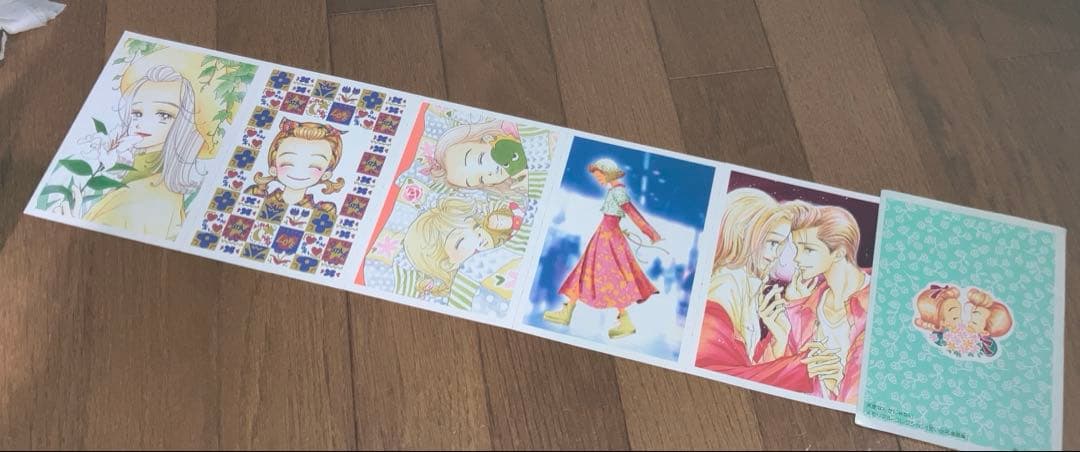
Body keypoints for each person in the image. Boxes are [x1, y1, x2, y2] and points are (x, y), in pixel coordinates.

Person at [78, 65, 205, 240]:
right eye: (137, 113)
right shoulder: (138, 175)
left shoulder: (149, 194)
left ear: (183, 123)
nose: (143, 123)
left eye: (164, 115)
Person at [542, 158, 661, 339]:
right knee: (585, 271)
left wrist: (651, 233)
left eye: (600, 176)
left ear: (608, 173)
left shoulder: (618, 191)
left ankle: (624, 320)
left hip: (608, 240)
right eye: (597, 177)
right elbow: (614, 218)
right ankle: (568, 311)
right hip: (604, 236)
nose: (598, 180)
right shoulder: (614, 190)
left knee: (610, 276)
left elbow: (632, 213)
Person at [783, 202, 870, 404]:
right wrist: (794, 308)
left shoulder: (877, 303)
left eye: (808, 250)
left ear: (839, 252)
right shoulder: (806, 304)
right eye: (797, 248)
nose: (797, 258)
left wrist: (838, 383)